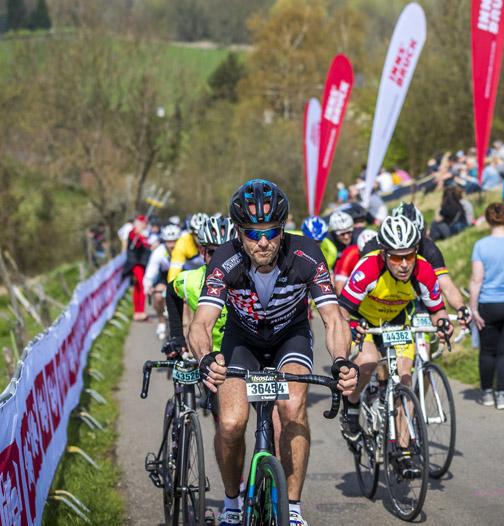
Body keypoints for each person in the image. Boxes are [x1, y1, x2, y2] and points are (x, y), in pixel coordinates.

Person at [190, 179, 358, 526]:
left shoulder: (307, 253)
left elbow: (333, 318)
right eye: (252, 233)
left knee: (294, 408)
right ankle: (232, 503)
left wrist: (341, 360)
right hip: (243, 341)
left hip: (289, 338)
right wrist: (206, 358)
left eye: (272, 231)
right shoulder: (224, 259)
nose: (263, 242)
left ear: (284, 229)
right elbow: (201, 323)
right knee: (233, 423)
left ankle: (292, 510)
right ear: (238, 232)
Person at [338, 215, 454, 472]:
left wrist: (444, 323)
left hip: (397, 321)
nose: (403, 264)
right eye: (396, 258)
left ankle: (402, 449)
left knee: (405, 379)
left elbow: (437, 308)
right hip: (364, 319)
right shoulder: (368, 268)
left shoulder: (423, 269)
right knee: (367, 362)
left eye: (409, 256)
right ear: (384, 254)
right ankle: (353, 404)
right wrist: (354, 328)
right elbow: (343, 310)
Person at [362, 203, 473, 323]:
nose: (409, 246)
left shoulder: (429, 248)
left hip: (413, 294)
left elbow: (446, 285)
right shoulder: (374, 247)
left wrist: (461, 308)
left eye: (415, 240)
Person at [469, 203, 504, 410]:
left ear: (488, 219)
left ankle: (487, 393)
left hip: (488, 304)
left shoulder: (481, 245)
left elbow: (476, 279)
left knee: (488, 351)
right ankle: (503, 395)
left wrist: (473, 308)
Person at [163, 217, 235, 356]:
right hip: (208, 357)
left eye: (227, 252)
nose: (220, 259)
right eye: (213, 252)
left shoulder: (252, 276)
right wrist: (177, 336)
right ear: (202, 251)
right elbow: (171, 292)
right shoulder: (190, 279)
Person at [144, 224, 182, 339]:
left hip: (181, 275)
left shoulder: (183, 249)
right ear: (164, 241)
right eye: (168, 241)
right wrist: (148, 286)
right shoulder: (159, 252)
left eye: (174, 241)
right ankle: (161, 322)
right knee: (158, 295)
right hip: (164, 277)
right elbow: (150, 271)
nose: (172, 245)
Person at [167, 212, 209, 282]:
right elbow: (174, 270)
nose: (201, 237)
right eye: (197, 234)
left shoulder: (215, 240)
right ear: (191, 233)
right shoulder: (183, 242)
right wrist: (171, 288)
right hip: (189, 276)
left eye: (204, 233)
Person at [333, 228, 378, 293]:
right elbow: (339, 285)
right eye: (366, 256)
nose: (370, 260)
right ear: (359, 250)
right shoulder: (350, 254)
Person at [126, 215, 151, 321]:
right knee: (142, 285)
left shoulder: (143, 234)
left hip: (143, 264)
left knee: (138, 287)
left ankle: (138, 312)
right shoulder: (133, 233)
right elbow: (133, 242)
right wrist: (137, 233)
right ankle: (140, 311)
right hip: (136, 264)